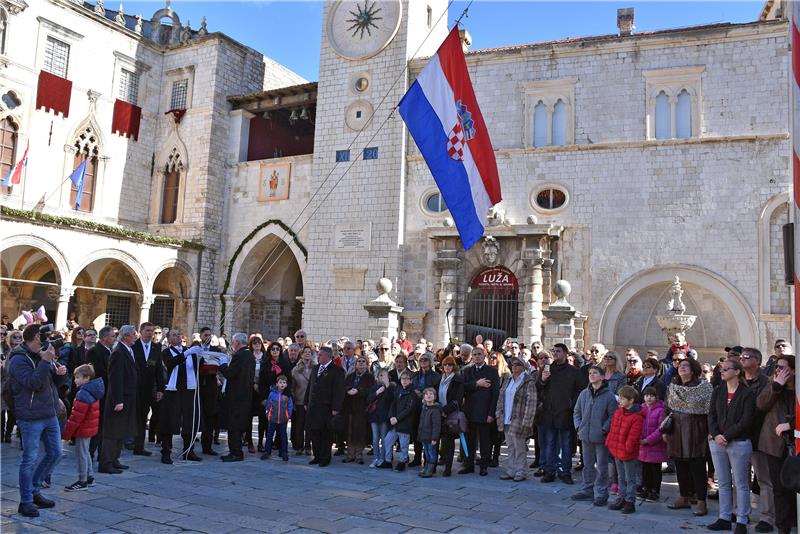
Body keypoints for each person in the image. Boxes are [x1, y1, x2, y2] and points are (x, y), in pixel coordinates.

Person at [8, 324, 68, 517]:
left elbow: (49, 384)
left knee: (56, 453)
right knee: (29, 460)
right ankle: (25, 501)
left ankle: (34, 490)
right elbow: (32, 383)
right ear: (35, 337)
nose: (47, 341)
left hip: (49, 413)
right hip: (31, 416)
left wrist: (60, 374)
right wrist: (45, 362)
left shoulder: (42, 356)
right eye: (44, 337)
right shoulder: (18, 359)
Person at [707, 359, 756, 533]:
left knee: (741, 483)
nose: (722, 372)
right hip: (717, 442)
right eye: (721, 369)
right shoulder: (718, 391)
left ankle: (742, 519)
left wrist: (726, 436)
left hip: (739, 442)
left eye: (726, 369)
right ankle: (724, 517)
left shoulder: (747, 393)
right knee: (723, 482)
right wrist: (715, 435)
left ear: (737, 372)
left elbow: (746, 420)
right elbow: (711, 415)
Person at [665, 358, 713, 516]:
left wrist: (710, 432)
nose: (682, 368)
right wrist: (665, 430)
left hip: (696, 430)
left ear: (693, 369)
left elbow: (710, 411)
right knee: (680, 466)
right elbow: (668, 408)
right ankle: (684, 496)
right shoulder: (673, 387)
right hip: (676, 430)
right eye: (680, 366)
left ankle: (701, 501)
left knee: (697, 466)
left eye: (686, 366)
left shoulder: (704, 387)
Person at [756, 355, 797, 534]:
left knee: (795, 485)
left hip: (795, 443)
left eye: (783, 367)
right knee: (779, 488)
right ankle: (783, 527)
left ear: (794, 370)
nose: (778, 371)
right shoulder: (772, 386)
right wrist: (776, 385)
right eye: (777, 367)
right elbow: (761, 404)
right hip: (774, 445)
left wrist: (791, 424)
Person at [537, 343, 583, 484]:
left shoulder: (574, 371)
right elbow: (538, 388)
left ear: (565, 353)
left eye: (558, 351)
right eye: (554, 351)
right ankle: (550, 471)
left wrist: (571, 406)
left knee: (566, 444)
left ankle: (565, 472)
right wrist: (543, 380)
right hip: (549, 412)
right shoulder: (547, 368)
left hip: (566, 413)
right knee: (550, 443)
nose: (555, 353)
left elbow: (579, 390)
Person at [571, 365, 617, 505]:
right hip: (585, 435)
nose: (591, 375)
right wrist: (579, 427)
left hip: (600, 437)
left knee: (602, 466)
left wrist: (604, 429)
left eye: (595, 373)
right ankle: (587, 490)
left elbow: (613, 416)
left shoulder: (609, 396)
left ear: (602, 377)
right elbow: (577, 412)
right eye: (590, 373)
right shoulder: (584, 393)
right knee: (587, 465)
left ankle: (602, 493)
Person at [741, 347, 774, 533]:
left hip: (759, 436)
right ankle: (741, 513)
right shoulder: (738, 381)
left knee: (764, 480)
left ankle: (767, 517)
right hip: (740, 436)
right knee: (740, 479)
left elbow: (762, 407)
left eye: (747, 357)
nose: (743, 360)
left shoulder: (766, 382)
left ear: (758, 361)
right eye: (742, 357)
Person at [99, 325, 139, 475]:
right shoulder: (118, 352)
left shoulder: (127, 350)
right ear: (126, 336)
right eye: (133, 334)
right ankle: (106, 462)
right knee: (112, 431)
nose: (135, 336)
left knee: (121, 429)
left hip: (128, 397)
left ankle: (114, 459)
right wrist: (118, 400)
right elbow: (115, 378)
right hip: (119, 398)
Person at [159, 329, 202, 464]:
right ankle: (166, 452)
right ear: (169, 338)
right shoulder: (166, 352)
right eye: (174, 335)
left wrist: (200, 357)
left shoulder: (188, 350)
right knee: (169, 420)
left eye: (179, 334)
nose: (177, 337)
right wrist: (186, 353)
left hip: (189, 389)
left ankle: (189, 450)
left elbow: (197, 367)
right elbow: (171, 364)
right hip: (173, 390)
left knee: (190, 420)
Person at [61, 364, 104, 491]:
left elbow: (75, 418)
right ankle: (89, 477)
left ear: (86, 378)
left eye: (77, 377)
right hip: (89, 427)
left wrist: (66, 435)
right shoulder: (94, 390)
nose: (75, 380)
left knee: (82, 454)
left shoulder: (83, 394)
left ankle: (82, 480)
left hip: (83, 428)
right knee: (86, 452)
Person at [495, 356, 537, 482]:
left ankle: (521, 471)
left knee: (519, 447)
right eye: (513, 365)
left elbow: (532, 403)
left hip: (519, 418)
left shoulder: (528, 381)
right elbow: (501, 396)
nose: (514, 367)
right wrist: (498, 412)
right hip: (506, 417)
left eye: (517, 365)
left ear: (523, 367)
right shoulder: (508, 380)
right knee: (510, 446)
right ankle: (511, 469)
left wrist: (527, 421)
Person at [605, 386, 645, 514]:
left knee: (630, 478)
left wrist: (627, 449)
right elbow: (613, 429)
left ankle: (630, 501)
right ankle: (621, 497)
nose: (620, 400)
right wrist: (610, 442)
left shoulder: (637, 417)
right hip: (617, 449)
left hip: (628, 452)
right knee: (621, 477)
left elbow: (633, 436)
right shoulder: (618, 412)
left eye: (622, 398)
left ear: (631, 400)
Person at [460, 345, 499, 476]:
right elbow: (463, 388)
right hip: (470, 411)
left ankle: (484, 466)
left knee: (485, 441)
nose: (477, 356)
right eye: (475, 354)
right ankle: (468, 464)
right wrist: (477, 384)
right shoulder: (467, 371)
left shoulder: (492, 372)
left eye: (479, 354)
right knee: (470, 440)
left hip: (484, 412)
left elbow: (495, 394)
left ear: (484, 356)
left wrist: (491, 413)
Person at [305, 345, 345, 467]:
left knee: (326, 434)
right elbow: (310, 386)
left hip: (327, 408)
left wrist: (336, 408)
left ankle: (325, 458)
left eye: (320, 354)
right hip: (314, 407)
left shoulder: (337, 371)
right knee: (315, 432)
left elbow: (339, 391)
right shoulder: (316, 368)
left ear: (328, 356)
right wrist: (307, 401)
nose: (318, 356)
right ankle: (316, 456)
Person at [219, 333, 255, 462]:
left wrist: (222, 365)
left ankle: (236, 452)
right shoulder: (250, 355)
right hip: (245, 396)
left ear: (238, 343)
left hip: (236, 396)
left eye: (233, 342)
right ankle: (236, 451)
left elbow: (230, 374)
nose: (232, 345)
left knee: (233, 426)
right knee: (238, 426)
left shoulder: (239, 355)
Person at [131, 322, 162, 457]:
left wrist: (160, 389)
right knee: (134, 417)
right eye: (148, 330)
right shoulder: (134, 346)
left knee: (143, 417)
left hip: (149, 388)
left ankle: (139, 446)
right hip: (135, 387)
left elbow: (159, 370)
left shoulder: (156, 348)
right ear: (141, 331)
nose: (150, 333)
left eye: (152, 331)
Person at [380, 370, 418, 471]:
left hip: (404, 424)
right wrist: (391, 416)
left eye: (407, 379)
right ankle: (388, 460)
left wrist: (397, 418)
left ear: (411, 380)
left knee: (403, 444)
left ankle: (402, 461)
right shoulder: (398, 390)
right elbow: (393, 404)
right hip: (394, 423)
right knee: (387, 440)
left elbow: (409, 409)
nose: (404, 381)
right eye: (402, 379)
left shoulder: (412, 393)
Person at [86, 326, 114, 459]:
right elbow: (98, 371)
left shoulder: (111, 351)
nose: (114, 338)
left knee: (105, 424)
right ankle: (91, 451)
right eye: (112, 336)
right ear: (104, 338)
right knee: (98, 423)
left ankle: (102, 453)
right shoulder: (95, 351)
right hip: (101, 392)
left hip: (109, 392)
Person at [342, 355, 374, 464]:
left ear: (367, 364)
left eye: (363, 361)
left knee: (360, 432)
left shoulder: (370, 377)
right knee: (350, 431)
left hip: (362, 408)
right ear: (355, 364)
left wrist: (358, 391)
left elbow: (370, 391)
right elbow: (344, 386)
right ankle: (350, 454)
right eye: (359, 361)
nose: (360, 363)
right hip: (350, 407)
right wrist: (348, 390)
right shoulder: (350, 376)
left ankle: (359, 454)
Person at [638, 386, 668, 501]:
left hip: (656, 445)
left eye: (651, 395)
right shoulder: (642, 408)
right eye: (646, 396)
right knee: (645, 469)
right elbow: (638, 424)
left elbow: (660, 429)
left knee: (655, 469)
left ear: (656, 397)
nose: (649, 398)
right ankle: (646, 488)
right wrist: (640, 438)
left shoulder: (661, 410)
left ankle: (655, 490)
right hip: (643, 446)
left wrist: (648, 440)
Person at [198, 327, 224, 456]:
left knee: (209, 417)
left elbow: (220, 365)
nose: (207, 337)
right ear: (201, 336)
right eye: (205, 335)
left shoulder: (216, 350)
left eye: (209, 335)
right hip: (197, 386)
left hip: (211, 387)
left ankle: (207, 446)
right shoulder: (195, 349)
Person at [436, 356, 464, 477]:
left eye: (450, 365)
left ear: (454, 367)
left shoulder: (458, 380)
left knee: (449, 441)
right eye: (445, 365)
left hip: (450, 414)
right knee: (437, 439)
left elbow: (457, 400)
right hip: (438, 413)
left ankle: (448, 467)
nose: (447, 367)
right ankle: (434, 463)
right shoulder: (439, 379)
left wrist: (445, 410)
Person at [366, 368, 394, 468]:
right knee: (375, 438)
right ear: (377, 377)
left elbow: (391, 398)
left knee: (384, 438)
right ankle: (375, 458)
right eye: (380, 375)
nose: (382, 378)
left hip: (384, 417)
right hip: (374, 416)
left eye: (385, 376)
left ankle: (383, 458)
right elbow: (368, 399)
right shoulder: (374, 387)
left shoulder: (391, 387)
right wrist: (377, 392)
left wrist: (387, 386)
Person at [261, 374, 293, 461]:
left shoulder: (287, 395)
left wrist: (288, 415)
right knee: (269, 435)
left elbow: (290, 406)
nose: (282, 384)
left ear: (286, 384)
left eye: (284, 382)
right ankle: (267, 451)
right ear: (277, 384)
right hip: (272, 419)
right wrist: (268, 414)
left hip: (283, 419)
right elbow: (268, 405)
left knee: (283, 436)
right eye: (280, 382)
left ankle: (284, 452)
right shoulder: (272, 394)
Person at [489, 352, 511, 468]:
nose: (491, 360)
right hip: (488, 406)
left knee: (497, 435)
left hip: (501, 408)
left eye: (494, 358)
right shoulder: (487, 372)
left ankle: (495, 457)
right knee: (488, 434)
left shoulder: (506, 375)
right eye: (490, 357)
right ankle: (487, 455)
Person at [290, 346, 314, 455]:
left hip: (312, 400)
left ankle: (308, 446)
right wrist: (294, 399)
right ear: (302, 354)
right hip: (300, 399)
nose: (308, 354)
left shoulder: (316, 368)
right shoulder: (296, 369)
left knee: (309, 425)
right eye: (306, 352)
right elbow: (292, 387)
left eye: (310, 352)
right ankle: (299, 446)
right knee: (299, 424)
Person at [417, 387, 442, 478]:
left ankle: (430, 470)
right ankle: (426, 468)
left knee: (432, 453)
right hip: (424, 436)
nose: (429, 395)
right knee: (426, 453)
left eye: (431, 394)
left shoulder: (435, 410)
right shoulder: (424, 408)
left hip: (431, 437)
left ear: (435, 397)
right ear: (424, 397)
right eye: (426, 394)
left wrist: (434, 438)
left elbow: (436, 426)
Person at [249, 335, 267, 453]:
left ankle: (260, 442)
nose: (257, 344)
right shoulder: (249, 357)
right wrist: (253, 384)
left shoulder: (265, 358)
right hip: (250, 390)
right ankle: (249, 442)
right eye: (254, 343)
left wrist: (259, 385)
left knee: (262, 418)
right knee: (249, 417)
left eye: (258, 342)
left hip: (262, 390)